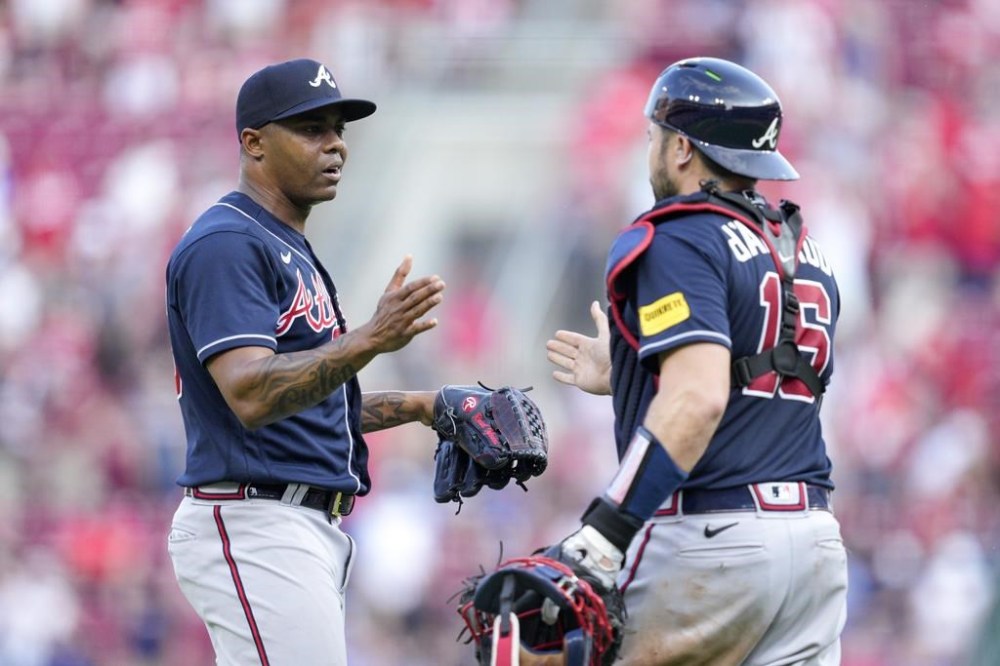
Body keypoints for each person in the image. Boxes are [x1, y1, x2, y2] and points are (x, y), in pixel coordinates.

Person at [543, 57, 847, 664]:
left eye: (654, 136)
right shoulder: (806, 249)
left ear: (682, 147)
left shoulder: (680, 234)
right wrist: (630, 372)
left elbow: (700, 397)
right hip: (814, 545)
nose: (649, 148)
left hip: (712, 540)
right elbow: (760, 379)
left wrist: (605, 532)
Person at [164, 58, 449, 665]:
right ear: (254, 142)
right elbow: (251, 394)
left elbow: (304, 406)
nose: (336, 145)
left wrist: (426, 407)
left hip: (291, 524)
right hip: (255, 522)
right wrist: (371, 338)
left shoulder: (281, 243)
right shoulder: (228, 243)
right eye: (311, 128)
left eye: (339, 129)